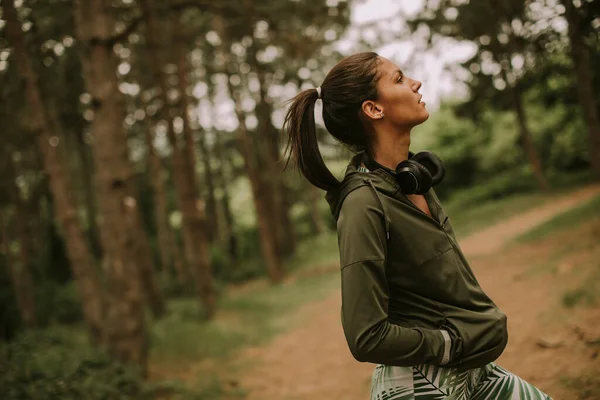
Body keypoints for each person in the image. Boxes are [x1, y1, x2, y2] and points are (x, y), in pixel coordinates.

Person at [283, 52, 551, 399]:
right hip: (422, 386)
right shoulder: (363, 203)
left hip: (473, 374)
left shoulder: (412, 179)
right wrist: (449, 343)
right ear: (374, 109)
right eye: (398, 79)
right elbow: (365, 335)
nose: (415, 83)